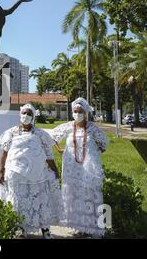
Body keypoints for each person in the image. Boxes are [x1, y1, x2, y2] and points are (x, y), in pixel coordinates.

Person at [0, 104, 62, 239]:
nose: (25, 116)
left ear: (33, 117)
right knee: (19, 202)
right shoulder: (11, 133)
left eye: (29, 114)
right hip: (16, 174)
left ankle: (45, 229)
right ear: (20, 114)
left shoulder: (41, 134)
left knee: (40, 200)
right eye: (24, 113)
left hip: (37, 174)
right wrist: (1, 171)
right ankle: (21, 230)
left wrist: (55, 170)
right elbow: (4, 154)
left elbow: (49, 155)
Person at [51, 98, 109, 238]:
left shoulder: (92, 128)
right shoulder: (68, 126)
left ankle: (94, 228)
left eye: (80, 111)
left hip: (89, 168)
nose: (77, 114)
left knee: (89, 193)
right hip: (71, 167)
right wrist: (60, 149)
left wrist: (93, 153)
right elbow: (52, 137)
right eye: (75, 111)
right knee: (74, 194)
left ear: (85, 112)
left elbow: (104, 144)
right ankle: (79, 226)